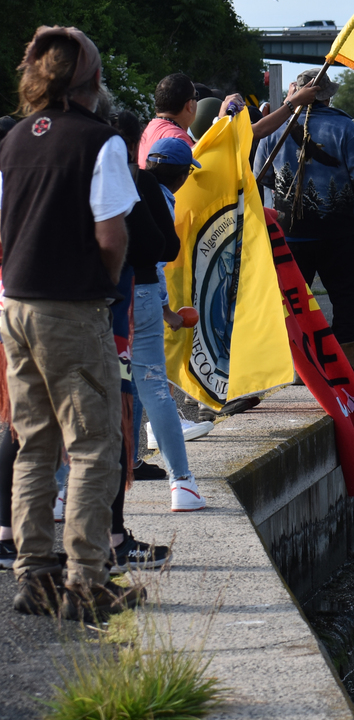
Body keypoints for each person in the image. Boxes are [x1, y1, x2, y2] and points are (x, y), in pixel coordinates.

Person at [0, 25, 148, 619]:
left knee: (32, 442)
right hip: (72, 308)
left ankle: (32, 575)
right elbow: (111, 237)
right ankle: (87, 581)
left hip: (16, 305)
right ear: (93, 80)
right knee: (92, 446)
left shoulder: (12, 142)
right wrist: (104, 281)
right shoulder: (100, 141)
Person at [253, 68, 354, 382]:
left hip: (289, 234)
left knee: (292, 299)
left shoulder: (276, 129)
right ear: (327, 94)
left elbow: (262, 175)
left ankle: (298, 366)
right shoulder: (345, 127)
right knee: (345, 294)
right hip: (337, 231)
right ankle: (346, 363)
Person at [137, 137, 211, 510]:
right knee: (153, 386)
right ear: (182, 176)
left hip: (100, 297)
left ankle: (128, 461)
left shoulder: (110, 180)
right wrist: (166, 310)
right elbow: (159, 259)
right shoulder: (161, 198)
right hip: (142, 295)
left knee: (124, 385)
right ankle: (182, 483)